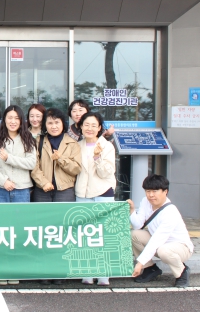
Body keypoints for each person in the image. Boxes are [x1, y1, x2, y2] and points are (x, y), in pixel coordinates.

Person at [0, 105, 36, 286]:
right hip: (0, 190)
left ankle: (15, 270)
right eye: (9, 118)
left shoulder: (28, 139)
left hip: (22, 190)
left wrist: (9, 159)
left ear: (21, 121)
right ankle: (1, 270)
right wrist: (3, 180)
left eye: (16, 118)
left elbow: (31, 163)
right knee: (0, 231)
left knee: (19, 231)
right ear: (4, 120)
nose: (13, 121)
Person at [30, 107, 82, 285]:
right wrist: (43, 182)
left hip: (64, 190)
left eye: (57, 122)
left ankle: (60, 270)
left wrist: (60, 158)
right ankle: (44, 270)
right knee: (43, 231)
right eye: (50, 122)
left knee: (62, 231)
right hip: (42, 191)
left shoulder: (72, 143)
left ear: (63, 124)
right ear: (45, 124)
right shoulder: (38, 141)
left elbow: (76, 169)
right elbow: (33, 166)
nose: (53, 126)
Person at [129, 175, 194, 288]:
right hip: (160, 244)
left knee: (163, 250)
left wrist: (139, 263)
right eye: (148, 191)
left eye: (155, 191)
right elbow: (138, 225)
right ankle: (150, 269)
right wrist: (132, 210)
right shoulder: (145, 201)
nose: (151, 195)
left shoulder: (170, 212)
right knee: (134, 235)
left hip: (181, 247)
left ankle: (182, 272)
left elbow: (157, 240)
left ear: (165, 191)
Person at [75, 111, 116, 286]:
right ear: (81, 126)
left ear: (100, 128)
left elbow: (107, 172)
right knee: (84, 235)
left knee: (103, 235)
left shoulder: (107, 146)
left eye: (94, 125)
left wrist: (98, 157)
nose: (89, 128)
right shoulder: (77, 145)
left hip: (102, 193)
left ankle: (104, 274)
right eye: (86, 125)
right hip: (82, 194)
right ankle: (87, 272)